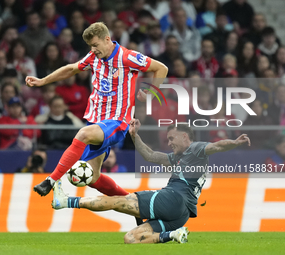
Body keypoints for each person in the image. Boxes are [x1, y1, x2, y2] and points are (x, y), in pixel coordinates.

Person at [25, 22, 168, 202]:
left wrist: (151, 94)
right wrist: (42, 81)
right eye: (90, 46)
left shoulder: (127, 57)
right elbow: (71, 69)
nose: (93, 49)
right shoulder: (93, 56)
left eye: (95, 45)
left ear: (107, 39)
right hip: (95, 121)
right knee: (92, 178)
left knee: (83, 134)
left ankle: (50, 180)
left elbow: (161, 68)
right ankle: (134, 203)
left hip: (117, 122)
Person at [51, 122, 251, 244]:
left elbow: (216, 146)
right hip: (181, 215)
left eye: (172, 138)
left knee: (118, 201)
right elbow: (150, 155)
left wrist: (235, 142)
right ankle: (172, 235)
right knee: (131, 239)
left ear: (185, 137)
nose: (170, 143)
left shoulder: (196, 148)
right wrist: (135, 136)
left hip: (173, 198)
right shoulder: (177, 157)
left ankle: (65, 201)